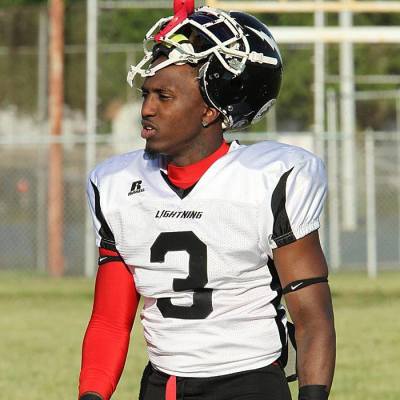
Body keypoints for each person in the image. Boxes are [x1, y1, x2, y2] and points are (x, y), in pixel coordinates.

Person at [78, 5, 335, 400]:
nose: (147, 109)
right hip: (164, 386)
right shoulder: (117, 185)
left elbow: (312, 317)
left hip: (250, 385)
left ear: (210, 110)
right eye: (146, 94)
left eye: (164, 96)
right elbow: (110, 321)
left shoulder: (269, 178)